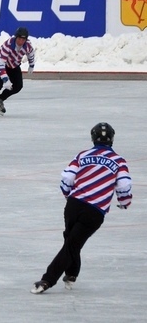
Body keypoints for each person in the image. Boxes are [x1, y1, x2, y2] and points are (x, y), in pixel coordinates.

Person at [30, 122, 133, 294]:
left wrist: (67, 194)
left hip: (74, 204)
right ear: (112, 139)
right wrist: (124, 202)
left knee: (71, 241)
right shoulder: (119, 161)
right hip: (95, 210)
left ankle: (69, 274)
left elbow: (67, 179)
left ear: (93, 138)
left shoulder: (82, 155)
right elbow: (124, 186)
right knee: (72, 244)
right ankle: (48, 280)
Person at [0, 27, 35, 116]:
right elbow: (0, 64)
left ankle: (0, 99)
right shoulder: (8, 45)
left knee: (18, 86)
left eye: (23, 39)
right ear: (16, 37)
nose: (21, 41)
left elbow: (31, 53)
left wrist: (31, 65)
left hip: (14, 65)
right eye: (19, 39)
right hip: (3, 64)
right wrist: (5, 79)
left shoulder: (27, 46)